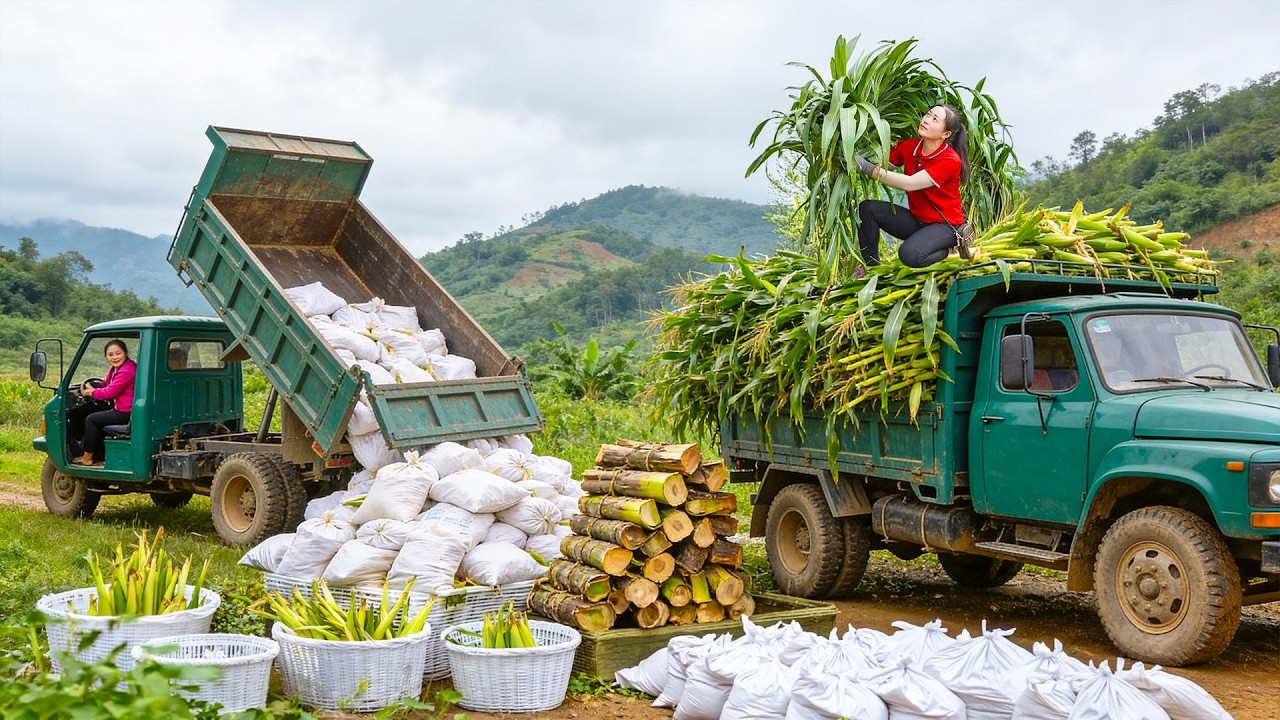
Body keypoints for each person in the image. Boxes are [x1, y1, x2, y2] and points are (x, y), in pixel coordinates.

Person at [853, 104, 971, 271]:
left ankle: (944, 251)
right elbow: (884, 165)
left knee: (909, 255)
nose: (926, 120)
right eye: (928, 114)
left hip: (945, 227)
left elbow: (910, 183)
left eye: (935, 119)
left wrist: (867, 168)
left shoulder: (950, 161)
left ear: (946, 134)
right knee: (868, 208)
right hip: (918, 221)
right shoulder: (909, 146)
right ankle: (871, 269)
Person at [73, 339, 136, 466]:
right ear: (106, 356)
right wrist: (94, 386)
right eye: (110, 354)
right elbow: (106, 384)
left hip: (127, 413)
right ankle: (99, 454)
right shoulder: (116, 369)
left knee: (91, 419)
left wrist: (90, 392)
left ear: (125, 353)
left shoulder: (127, 370)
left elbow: (110, 393)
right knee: (99, 419)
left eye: (118, 353)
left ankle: (87, 458)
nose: (114, 357)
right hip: (123, 410)